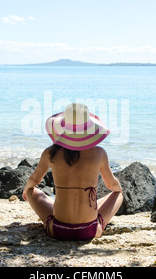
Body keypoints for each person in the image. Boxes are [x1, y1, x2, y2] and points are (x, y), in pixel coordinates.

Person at [23, 103, 124, 241]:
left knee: (31, 191)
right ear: (89, 128)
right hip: (90, 231)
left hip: (58, 230)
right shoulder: (99, 153)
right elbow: (112, 185)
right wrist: (119, 189)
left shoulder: (50, 153)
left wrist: (26, 190)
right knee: (118, 195)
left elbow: (34, 180)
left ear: (64, 127)